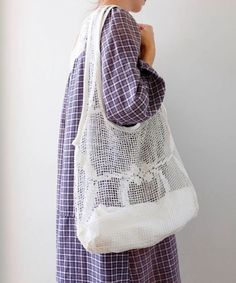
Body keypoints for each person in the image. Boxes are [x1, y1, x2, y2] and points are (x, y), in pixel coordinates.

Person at [56, 0, 182, 282]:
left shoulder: (89, 27)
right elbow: (128, 107)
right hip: (119, 193)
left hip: (91, 193)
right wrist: (149, 54)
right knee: (130, 260)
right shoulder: (118, 20)